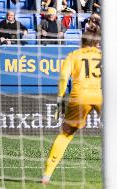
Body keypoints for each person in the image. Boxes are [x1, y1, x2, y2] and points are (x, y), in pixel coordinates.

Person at [41, 24, 102, 184]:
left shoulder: (74, 55)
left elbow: (63, 78)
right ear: (97, 42)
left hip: (80, 96)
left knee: (66, 134)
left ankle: (47, 175)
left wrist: (60, 100)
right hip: (102, 95)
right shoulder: (104, 54)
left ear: (81, 41)